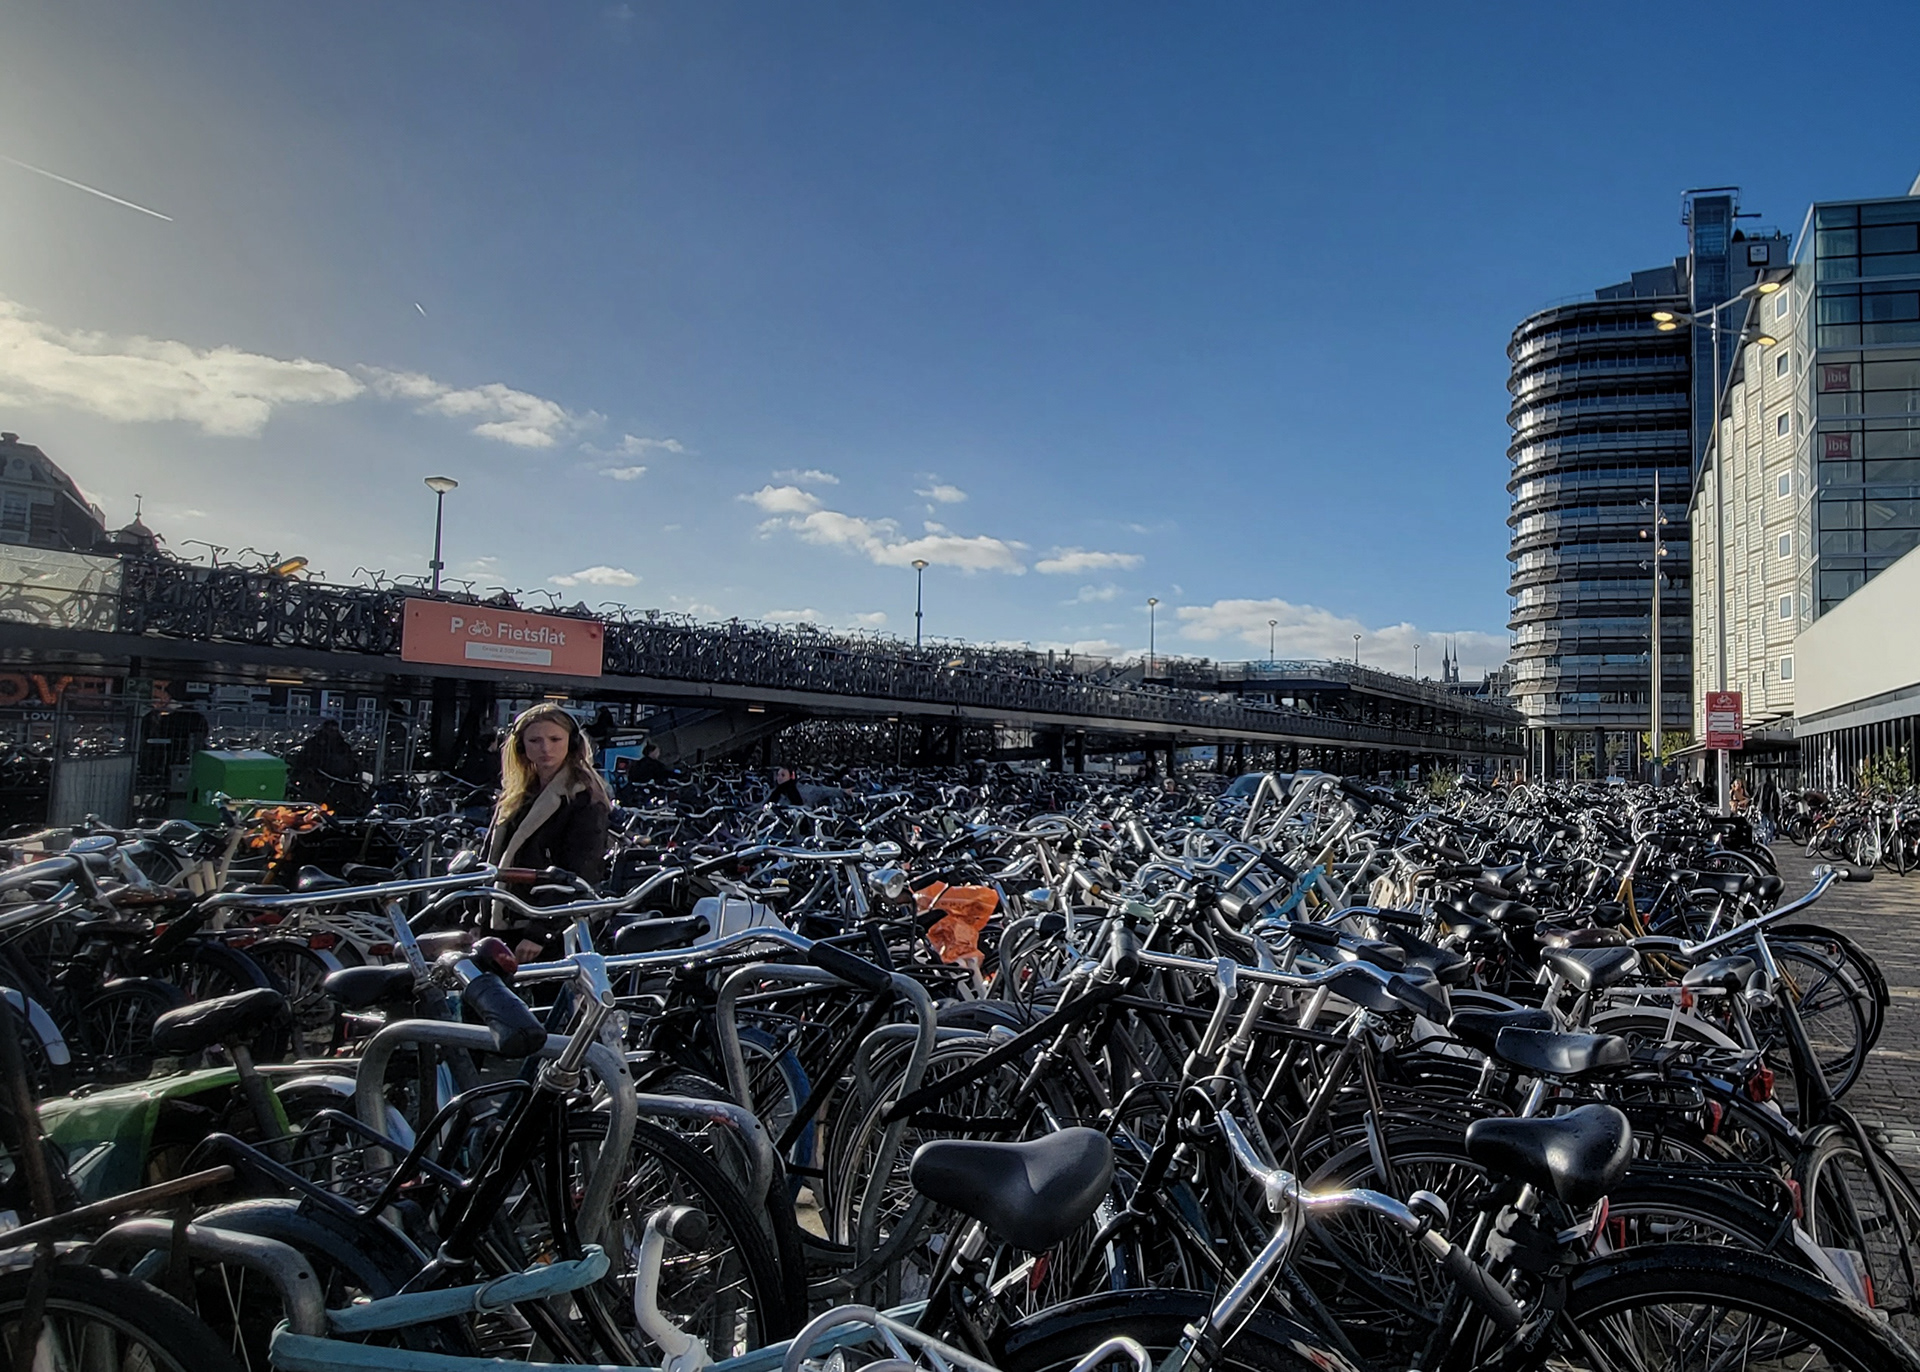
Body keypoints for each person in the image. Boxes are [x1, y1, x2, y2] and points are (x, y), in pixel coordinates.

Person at [485, 704, 612, 962]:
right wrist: (476, 918)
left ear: (572, 743)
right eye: (535, 741)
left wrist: (540, 932)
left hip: (547, 929)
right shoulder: (516, 795)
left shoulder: (584, 798)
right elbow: (490, 858)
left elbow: (581, 872)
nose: (546, 748)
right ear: (521, 746)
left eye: (555, 739)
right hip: (504, 920)